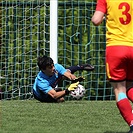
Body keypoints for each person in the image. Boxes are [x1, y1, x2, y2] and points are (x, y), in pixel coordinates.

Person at [91, 1, 133, 132]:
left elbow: (96, 20)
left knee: (119, 90)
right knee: (131, 86)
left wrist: (103, 17)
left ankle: (132, 124)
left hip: (115, 48)